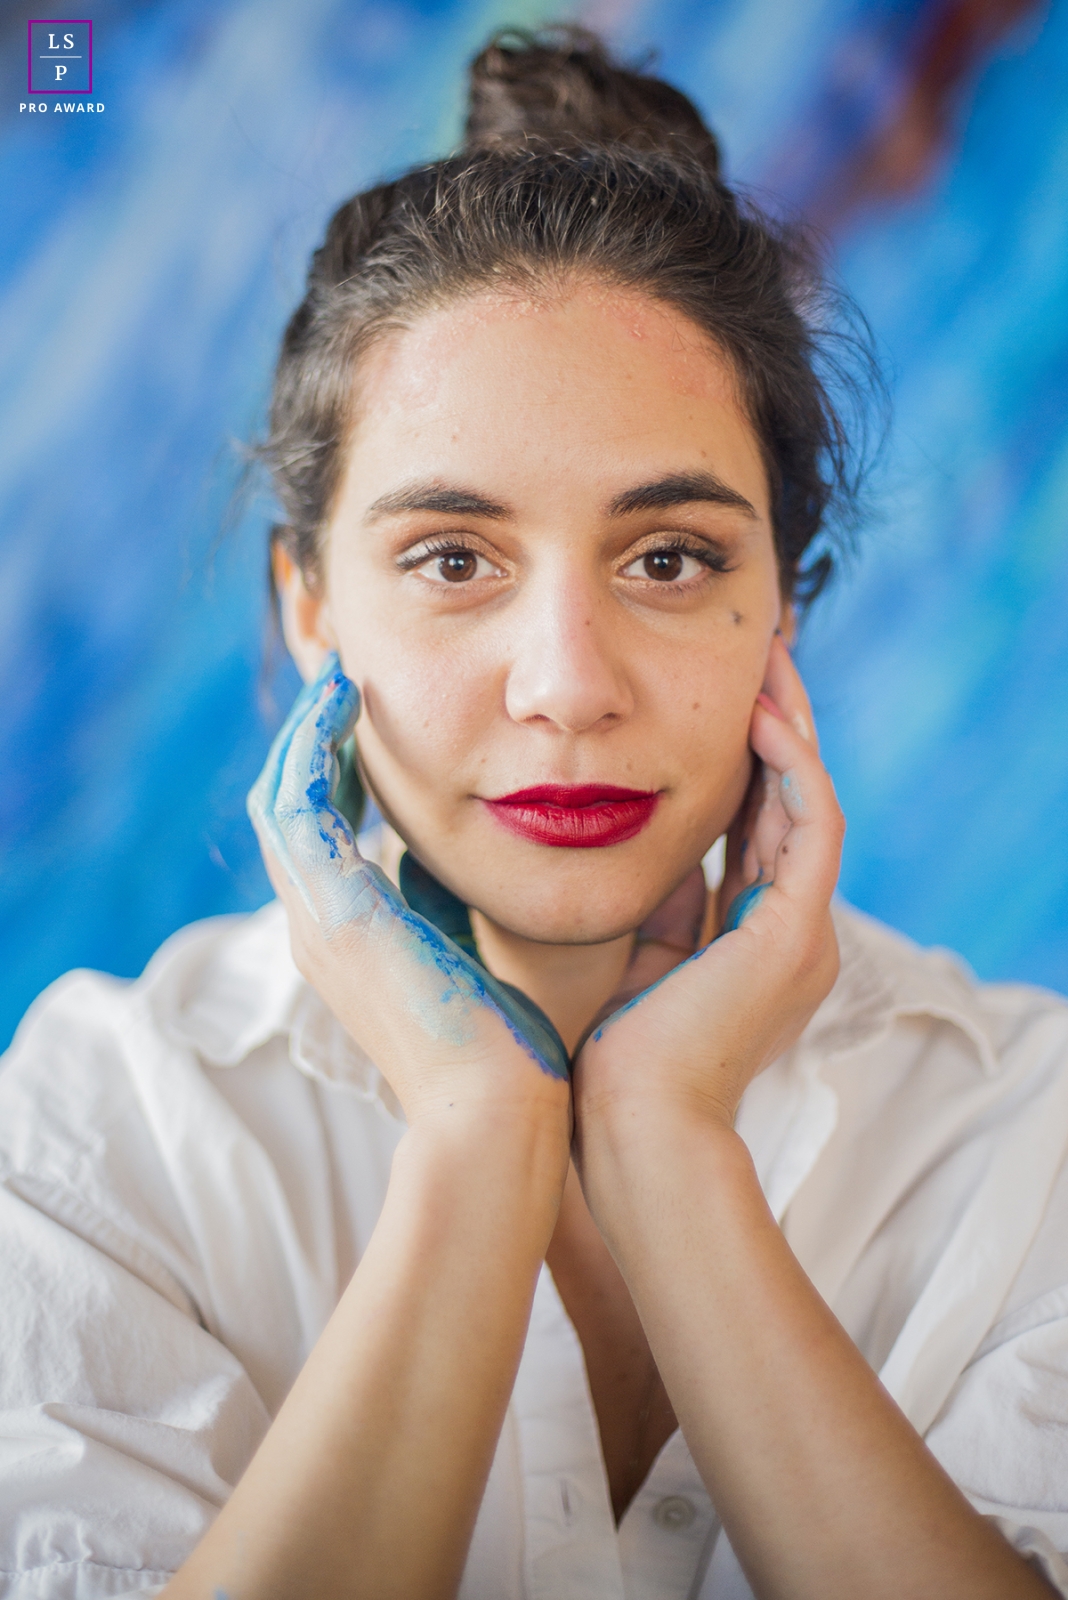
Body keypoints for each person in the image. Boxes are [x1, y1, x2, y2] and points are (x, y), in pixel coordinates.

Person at [1, 25, 1067, 1600]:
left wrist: (671, 1143)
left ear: (784, 608)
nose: (566, 686)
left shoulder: (1024, 1129)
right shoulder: (104, 1125)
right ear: (308, 611)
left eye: (671, 560)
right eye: (452, 560)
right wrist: (480, 1135)